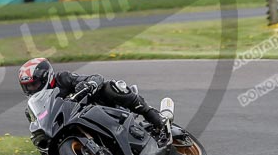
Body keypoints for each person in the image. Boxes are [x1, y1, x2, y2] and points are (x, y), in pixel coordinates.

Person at [17, 57, 169, 145]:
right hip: (72, 129)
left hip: (97, 109)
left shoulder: (62, 79)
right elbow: (39, 127)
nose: (32, 89)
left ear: (46, 77)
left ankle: (155, 117)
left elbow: (96, 77)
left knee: (111, 87)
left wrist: (89, 84)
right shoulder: (31, 108)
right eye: (27, 87)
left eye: (34, 84)